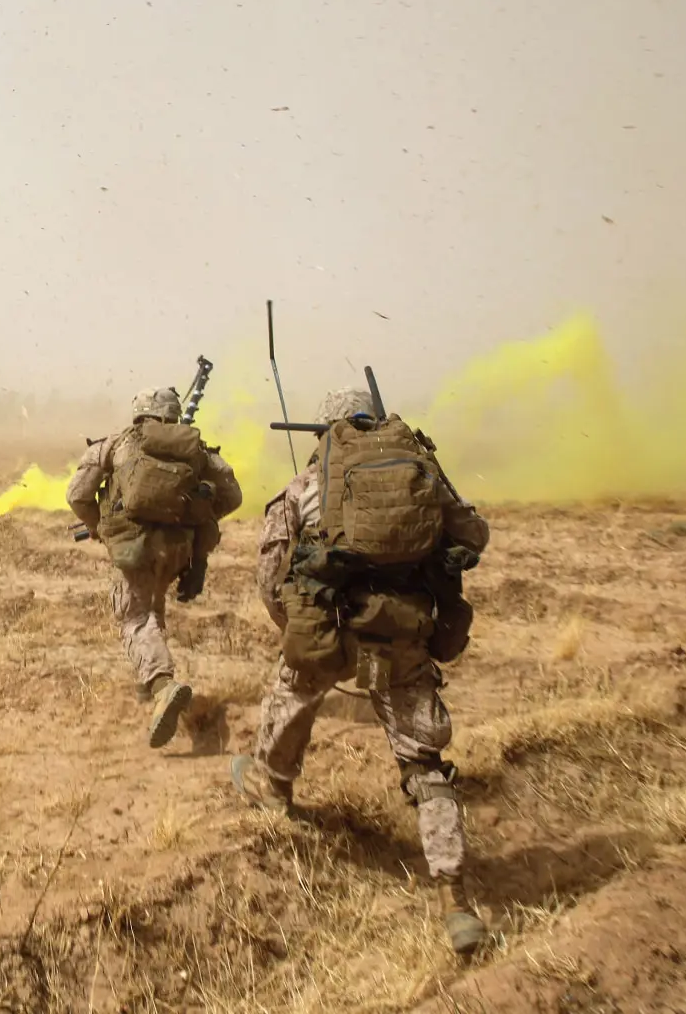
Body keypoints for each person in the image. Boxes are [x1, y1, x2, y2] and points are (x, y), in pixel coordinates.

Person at [229, 386, 493, 956]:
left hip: (330, 630)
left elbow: (270, 578)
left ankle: (272, 787)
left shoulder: (306, 485)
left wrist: (298, 628)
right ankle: (454, 898)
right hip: (405, 635)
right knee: (425, 766)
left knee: (293, 690)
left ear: (325, 432)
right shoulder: (420, 474)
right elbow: (474, 536)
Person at [66, 387, 243, 748]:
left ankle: (162, 684)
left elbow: (77, 494)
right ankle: (147, 686)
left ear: (139, 412)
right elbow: (233, 496)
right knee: (151, 609)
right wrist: (193, 518)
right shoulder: (197, 450)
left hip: (135, 547)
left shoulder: (115, 445)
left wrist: (100, 526)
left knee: (133, 618)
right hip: (180, 549)